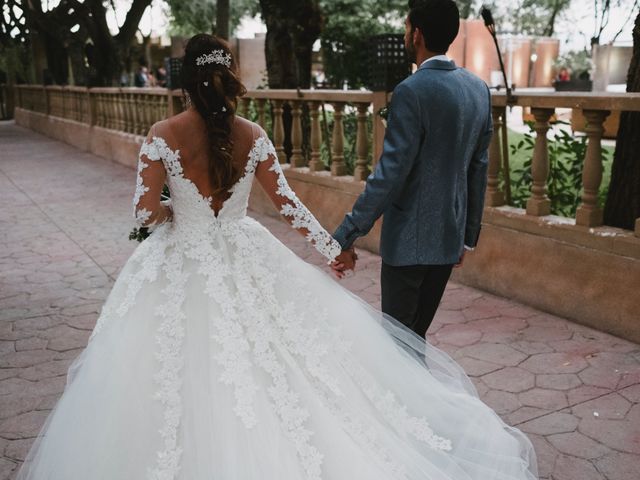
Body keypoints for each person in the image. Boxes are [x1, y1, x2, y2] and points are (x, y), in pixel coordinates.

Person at [16, 32, 537, 480]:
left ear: (185, 82)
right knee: (287, 365)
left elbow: (144, 216)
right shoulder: (255, 136)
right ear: (229, 78)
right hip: (248, 253)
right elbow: (290, 207)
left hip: (181, 262)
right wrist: (335, 248)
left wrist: (182, 208)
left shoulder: (161, 137)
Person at [333, 0, 492, 339]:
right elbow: (479, 168)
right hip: (449, 239)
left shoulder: (412, 90)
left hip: (408, 243)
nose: (406, 35)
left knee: (398, 346)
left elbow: (390, 174)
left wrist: (346, 234)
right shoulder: (479, 89)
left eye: (406, 28)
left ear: (416, 34)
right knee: (414, 340)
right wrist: (468, 236)